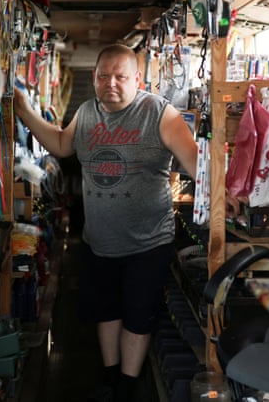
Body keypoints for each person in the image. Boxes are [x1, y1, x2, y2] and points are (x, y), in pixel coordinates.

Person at [13, 43, 198, 401]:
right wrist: (24, 112)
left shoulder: (160, 114)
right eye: (103, 76)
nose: (110, 83)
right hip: (99, 240)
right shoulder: (86, 112)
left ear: (137, 79)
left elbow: (194, 162)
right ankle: (110, 378)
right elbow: (62, 144)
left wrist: (223, 192)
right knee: (107, 312)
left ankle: (128, 387)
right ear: (94, 79)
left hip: (148, 242)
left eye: (120, 76)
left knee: (137, 316)